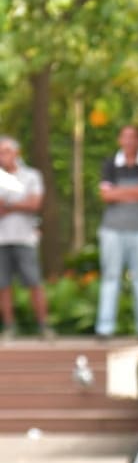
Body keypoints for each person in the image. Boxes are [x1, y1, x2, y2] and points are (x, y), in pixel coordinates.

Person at [96, 125, 138, 341]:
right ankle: (105, 328)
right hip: (113, 229)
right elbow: (106, 195)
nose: (129, 141)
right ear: (119, 140)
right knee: (111, 277)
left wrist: (120, 192)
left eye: (133, 137)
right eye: (125, 136)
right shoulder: (110, 164)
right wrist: (137, 191)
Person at [0, 136, 52, 339]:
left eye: (6, 151)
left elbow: (35, 204)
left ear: (16, 153)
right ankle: (9, 327)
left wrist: (8, 205)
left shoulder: (31, 176)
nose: (2, 156)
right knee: (3, 285)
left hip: (25, 238)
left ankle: (44, 326)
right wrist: (21, 204)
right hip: (2, 240)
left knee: (34, 282)